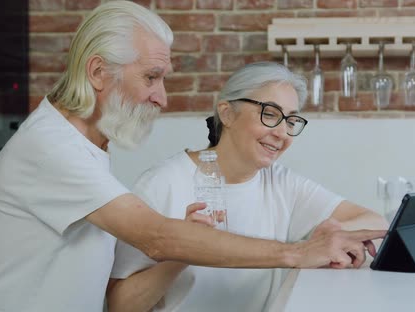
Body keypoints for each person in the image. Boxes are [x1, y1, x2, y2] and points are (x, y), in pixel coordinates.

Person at [0, 2, 386, 312]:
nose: (163, 97)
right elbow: (156, 238)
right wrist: (298, 252)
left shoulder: (87, 145)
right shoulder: (52, 146)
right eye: (151, 77)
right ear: (99, 72)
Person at [106, 62, 389, 312]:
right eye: (270, 114)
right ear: (227, 114)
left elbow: (374, 222)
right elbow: (121, 305)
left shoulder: (280, 181)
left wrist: (322, 240)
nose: (281, 133)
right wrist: (182, 252)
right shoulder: (162, 184)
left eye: (291, 120)